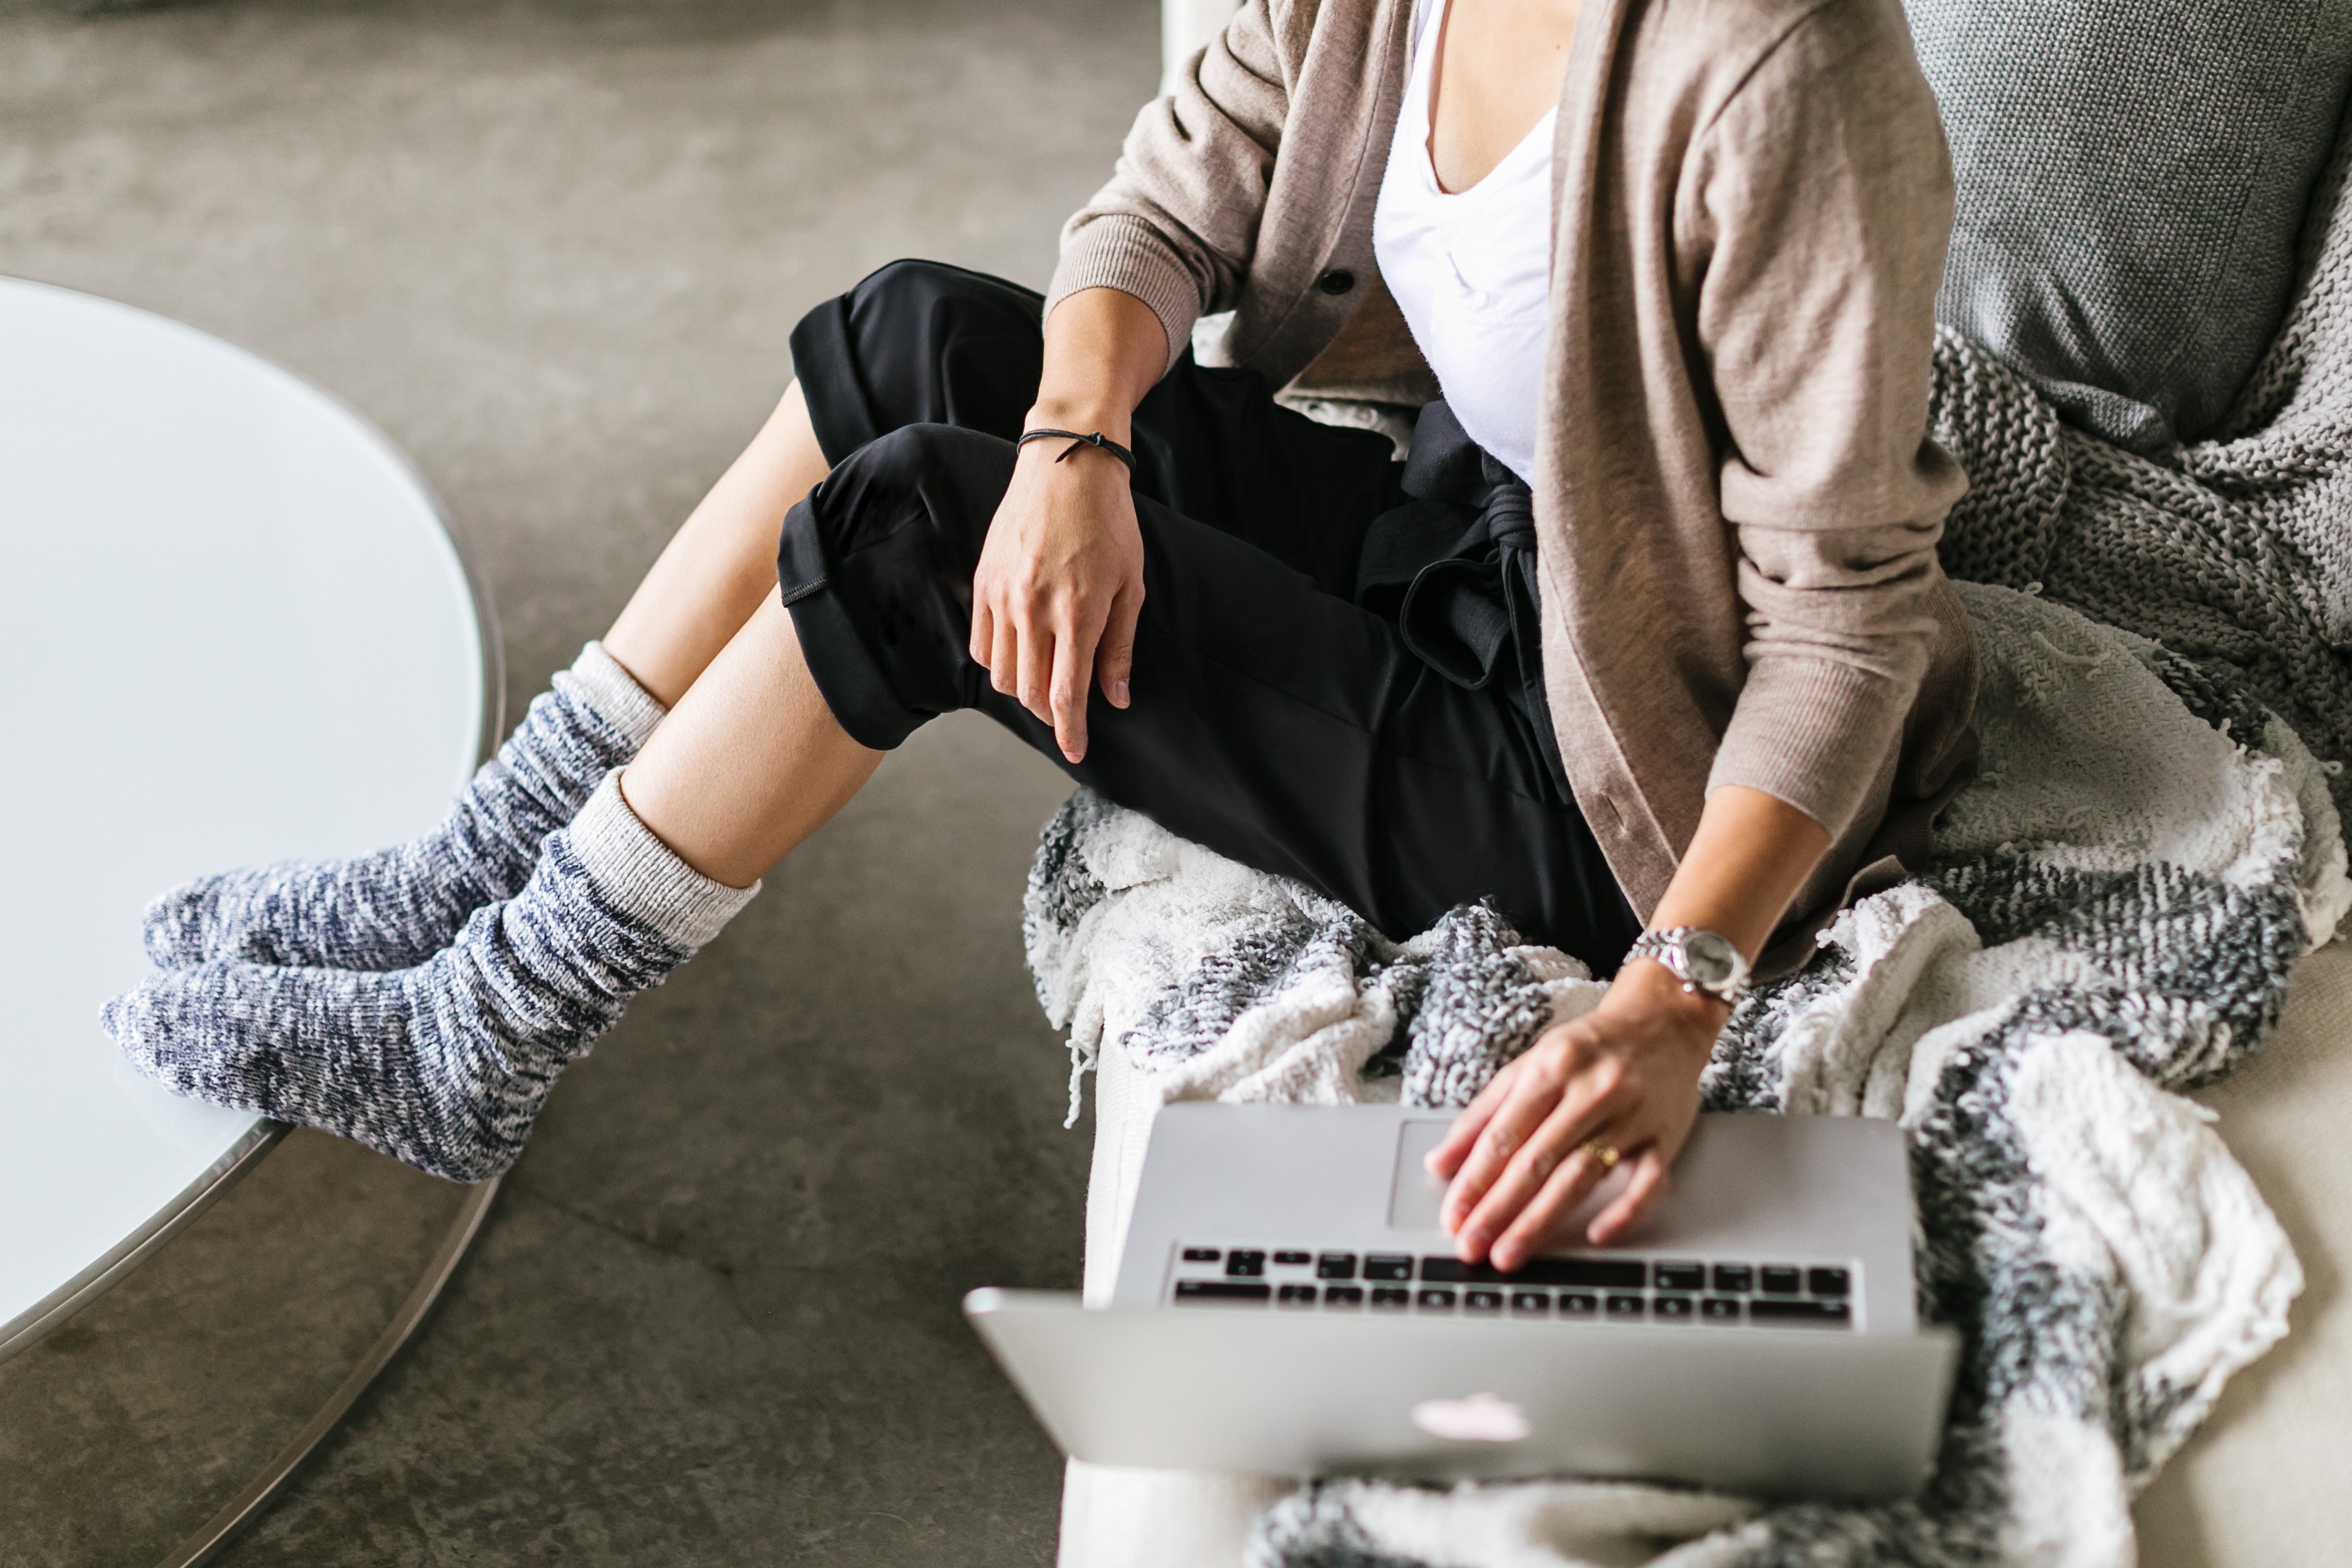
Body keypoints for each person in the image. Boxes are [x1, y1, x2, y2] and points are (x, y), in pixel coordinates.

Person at [106, 0, 1974, 1279]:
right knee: (916, 333)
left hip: (1606, 757)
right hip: (1456, 530)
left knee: (923, 533)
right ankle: (484, 861)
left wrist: (1677, 988)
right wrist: (1078, 442)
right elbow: (1166, 198)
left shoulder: (1781, 62)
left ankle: (483, 1031)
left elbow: (1846, 620)